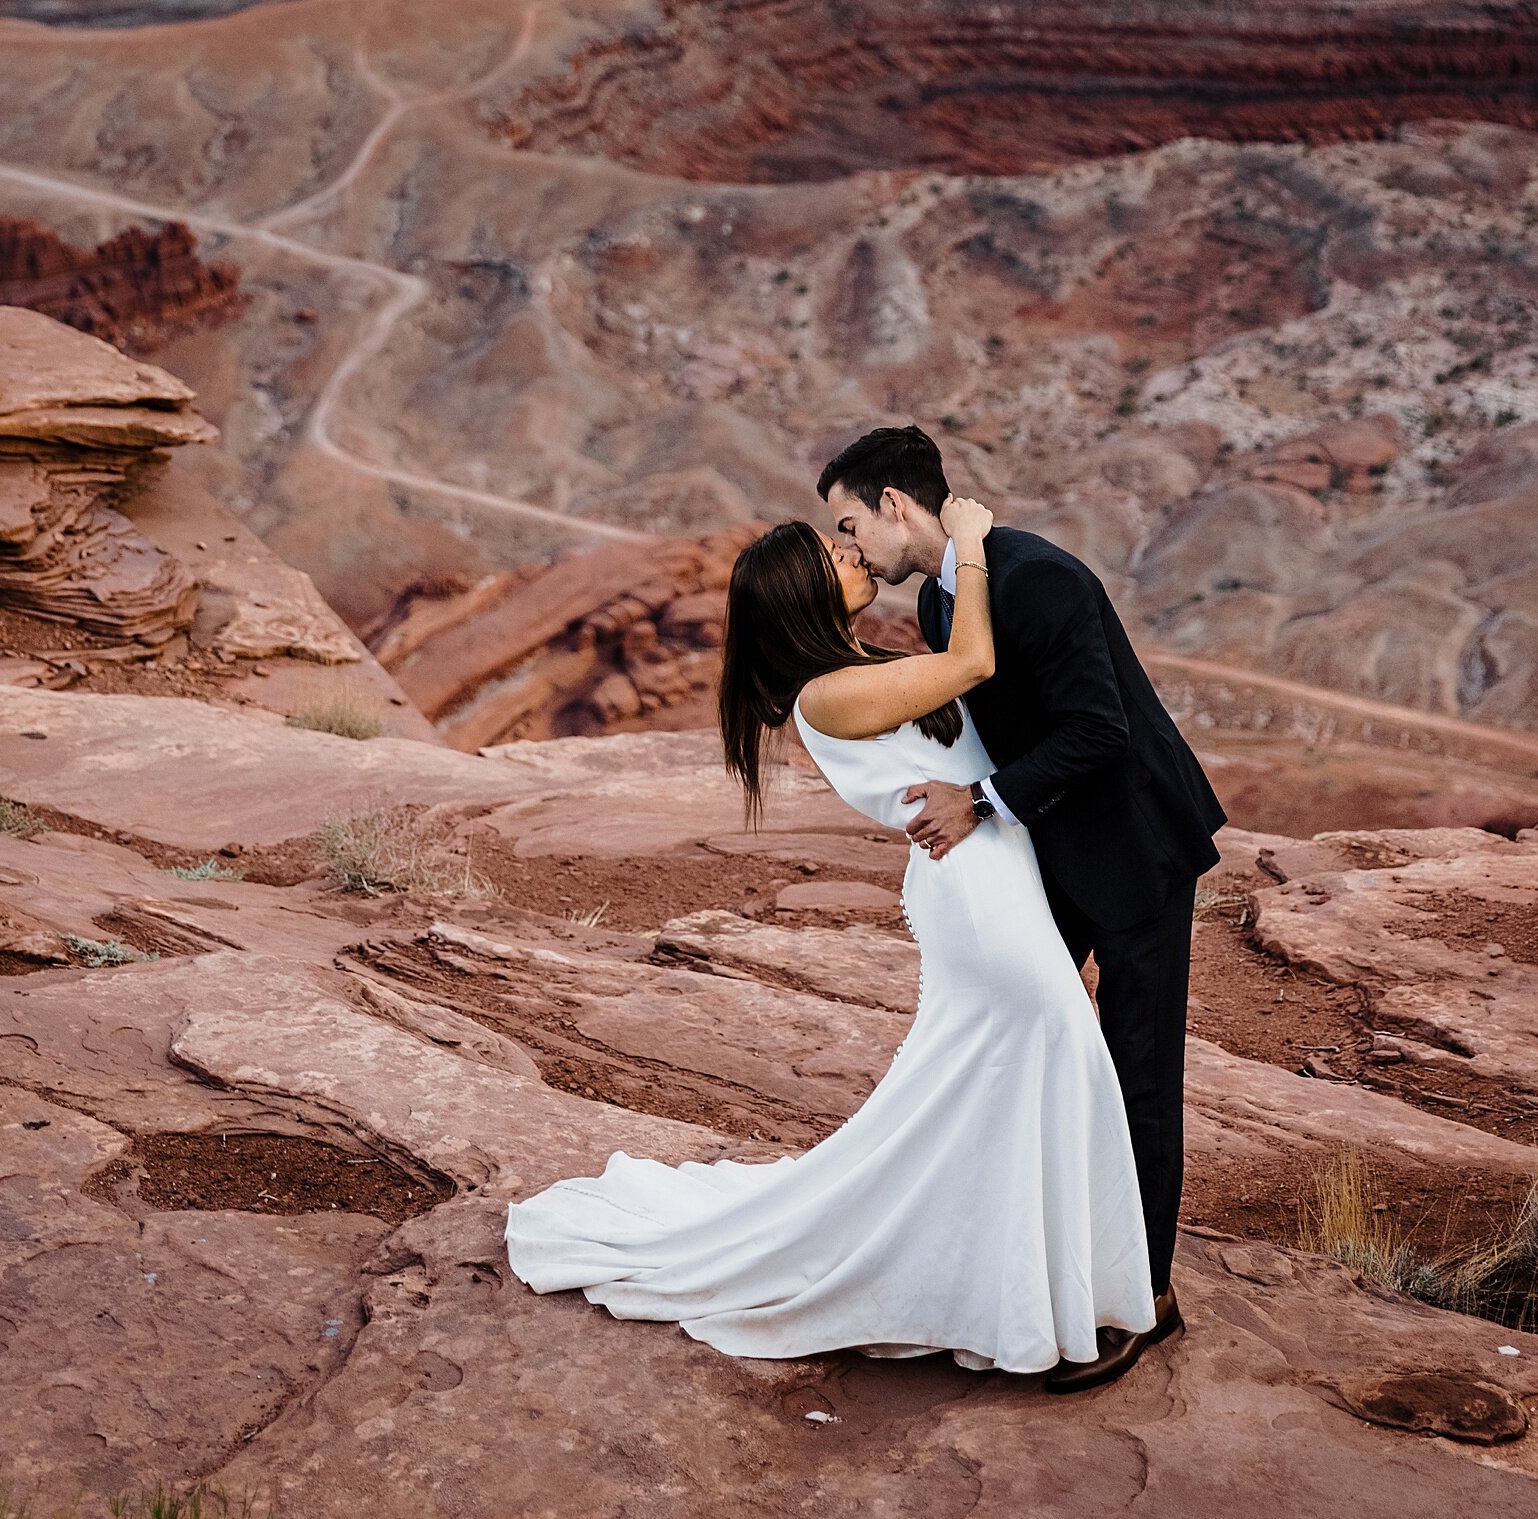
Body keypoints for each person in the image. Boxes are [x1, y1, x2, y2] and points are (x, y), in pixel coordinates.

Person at [503, 494, 1157, 1375]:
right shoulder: (829, 694)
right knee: (1051, 1060)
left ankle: (1039, 1287)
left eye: (842, 544)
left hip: (996, 876)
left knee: (1006, 1082)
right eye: (831, 559)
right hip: (975, 894)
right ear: (801, 600)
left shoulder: (860, 667)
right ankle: (1036, 1303)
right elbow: (975, 657)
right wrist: (966, 542)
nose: (852, 557)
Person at [819, 424, 1225, 1393]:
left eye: (848, 522)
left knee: (1136, 1068)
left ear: (894, 503)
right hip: (1061, 852)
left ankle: (1145, 1299)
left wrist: (980, 802)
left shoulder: (1034, 573)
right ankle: (1038, 1259)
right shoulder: (944, 588)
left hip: (1135, 853)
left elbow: (1097, 726)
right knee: (1035, 1042)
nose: (850, 545)